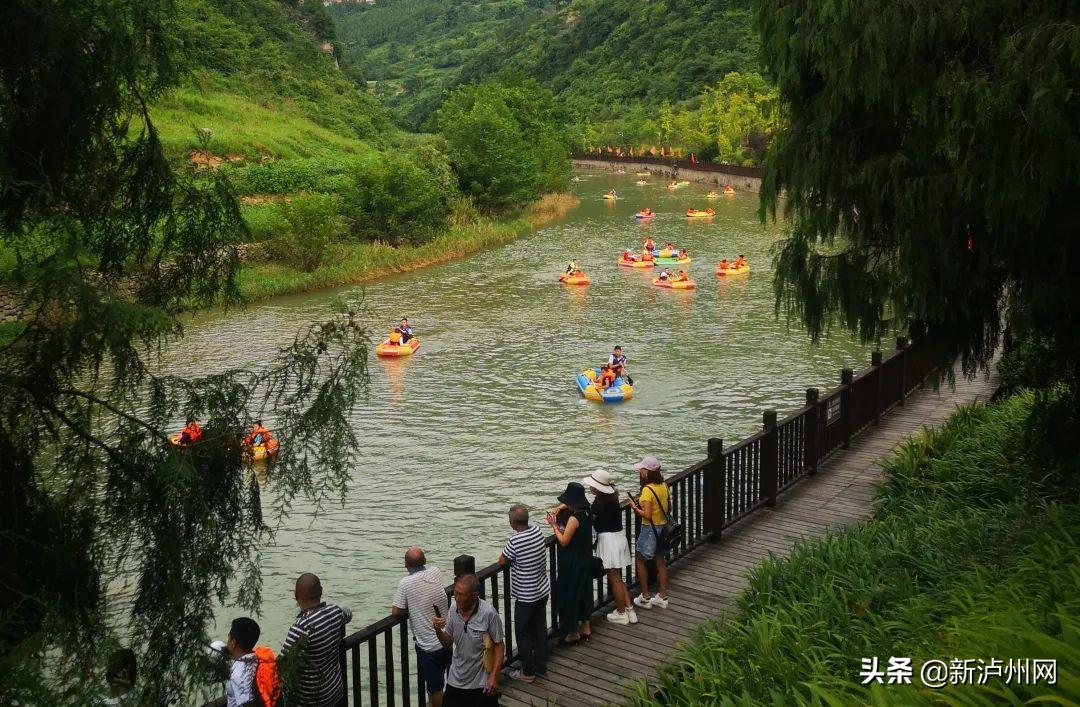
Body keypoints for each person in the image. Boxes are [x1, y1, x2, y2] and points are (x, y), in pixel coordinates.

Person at [280, 573, 352, 707]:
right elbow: (347, 613)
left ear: (296, 595)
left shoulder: (301, 627)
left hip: (311, 701)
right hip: (335, 691)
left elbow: (284, 667)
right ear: (321, 592)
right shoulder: (335, 612)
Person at [433, 574, 504, 707]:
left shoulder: (489, 614)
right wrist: (437, 630)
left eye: (462, 595)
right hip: (456, 680)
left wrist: (494, 676)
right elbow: (448, 642)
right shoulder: (453, 609)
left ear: (474, 596)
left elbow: (499, 645)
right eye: (455, 593)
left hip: (481, 683)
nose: (457, 598)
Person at [392, 548, 451, 706]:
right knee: (452, 680)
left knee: (435, 688)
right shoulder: (436, 572)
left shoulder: (406, 583)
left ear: (406, 564)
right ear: (425, 561)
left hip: (429, 646)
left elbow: (396, 611)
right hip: (449, 638)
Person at [498, 505, 550, 683]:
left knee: (523, 633)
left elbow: (502, 560)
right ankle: (541, 664)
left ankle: (528, 671)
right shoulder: (536, 531)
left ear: (512, 522)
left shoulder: (515, 541)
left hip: (527, 595)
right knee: (540, 628)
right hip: (542, 590)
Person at [583, 470, 636, 625]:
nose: (590, 487)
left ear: (598, 487)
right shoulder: (613, 496)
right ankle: (629, 609)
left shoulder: (599, 502)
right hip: (619, 537)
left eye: (592, 485)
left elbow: (589, 520)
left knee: (614, 579)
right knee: (619, 577)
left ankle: (621, 613)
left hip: (608, 541)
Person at [546, 482, 593, 643]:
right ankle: (586, 626)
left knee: (570, 595)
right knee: (583, 592)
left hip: (573, 563)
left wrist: (554, 526)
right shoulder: (587, 512)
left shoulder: (574, 519)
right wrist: (561, 507)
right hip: (585, 559)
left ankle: (572, 632)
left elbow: (564, 541)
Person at [629, 456, 670, 609]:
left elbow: (646, 515)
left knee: (640, 560)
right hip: (663, 527)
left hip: (649, 530)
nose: (640, 472)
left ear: (647, 472)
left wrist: (634, 507)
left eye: (642, 469)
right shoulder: (663, 486)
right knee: (660, 562)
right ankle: (662, 595)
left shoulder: (647, 490)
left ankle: (645, 596)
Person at [225, 617, 260, 707]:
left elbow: (247, 703)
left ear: (233, 642)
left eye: (229, 637)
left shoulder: (239, 673)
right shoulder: (255, 659)